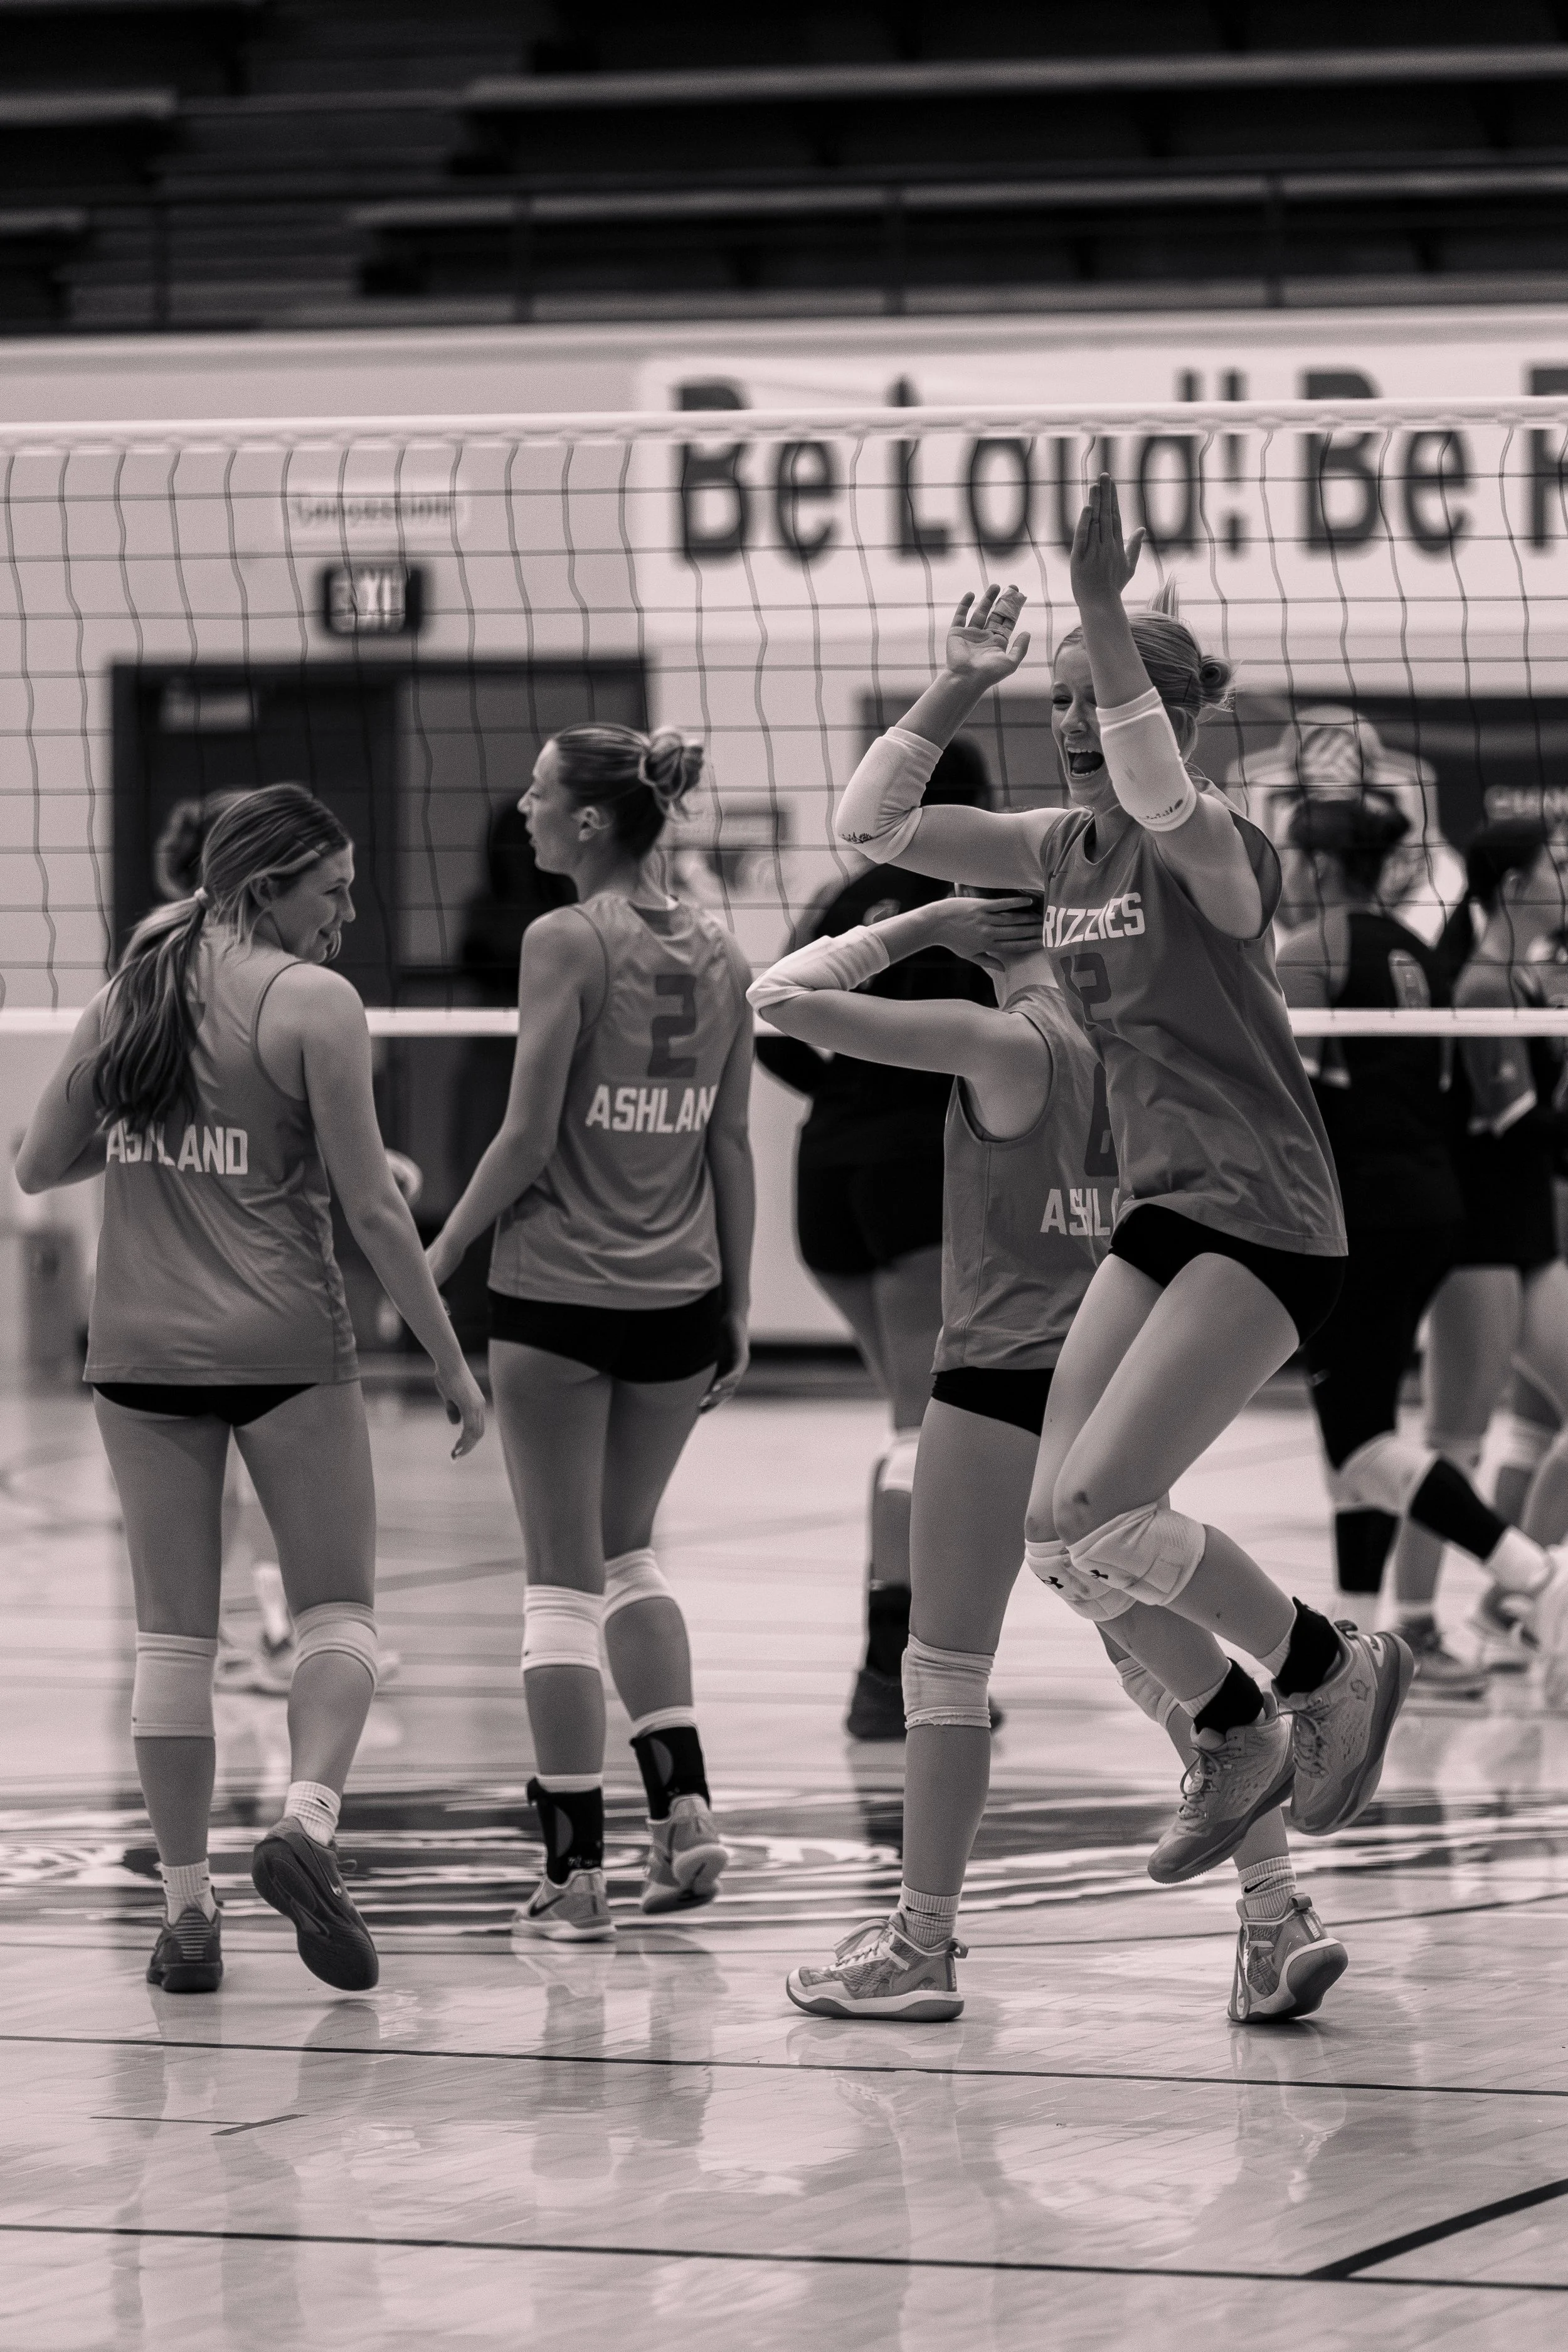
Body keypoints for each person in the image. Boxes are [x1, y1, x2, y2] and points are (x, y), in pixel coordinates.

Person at [834, 481, 1439, 1873]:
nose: (1060, 724)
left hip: (1266, 1212)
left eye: (1080, 699)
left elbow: (1159, 785)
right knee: (1060, 1543)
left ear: (1161, 709)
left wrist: (1101, 612)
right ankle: (1232, 1726)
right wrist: (954, 682)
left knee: (1102, 1501)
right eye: (1045, 704)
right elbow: (871, 830)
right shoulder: (1056, 851)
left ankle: (1326, 1666)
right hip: (1158, 1211)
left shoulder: (1220, 848)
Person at [754, 891, 1345, 2025]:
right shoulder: (1137, 1059)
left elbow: (778, 998)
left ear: (998, 931)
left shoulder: (1002, 1042)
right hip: (1113, 1381)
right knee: (1155, 1653)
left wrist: (922, 926)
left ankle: (922, 1944)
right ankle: (1277, 1917)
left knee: (944, 1675)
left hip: (996, 1379)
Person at [16, 783, 486, 1996]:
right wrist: (445, 1356)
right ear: (266, 886)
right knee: (341, 1619)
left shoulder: (136, 988)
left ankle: (184, 1913)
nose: (345, 913)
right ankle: (309, 1827)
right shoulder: (313, 1001)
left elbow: (35, 1159)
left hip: (137, 1353)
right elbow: (376, 1209)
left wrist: (144, 1121)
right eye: (328, 889)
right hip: (284, 1347)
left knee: (173, 1639)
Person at [425, 723, 755, 1941]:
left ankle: (574, 1873)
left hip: (558, 1295)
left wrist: (439, 1253)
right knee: (631, 1558)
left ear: (586, 825)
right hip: (678, 1298)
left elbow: (521, 1139)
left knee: (558, 1590)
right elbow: (725, 1144)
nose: (519, 804)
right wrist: (737, 1300)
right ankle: (687, 1812)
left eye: (537, 789)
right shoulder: (722, 949)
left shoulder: (562, 939)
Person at [755, 739, 997, 1740]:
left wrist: (845, 1095)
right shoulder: (979, 899)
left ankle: (907, 1659)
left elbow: (771, 1023)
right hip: (911, 1177)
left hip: (828, 1176)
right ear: (971, 809)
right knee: (919, 1426)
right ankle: (891, 1668)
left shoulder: (847, 892)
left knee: (919, 1419)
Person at [1276, 795, 1504, 1697]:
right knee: (1363, 1429)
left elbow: (1300, 1109)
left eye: (1293, 859)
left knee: (1360, 1437)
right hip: (1430, 1208)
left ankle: (1531, 1572)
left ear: (1322, 866)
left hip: (1357, 1218)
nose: (1286, 878)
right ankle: (1359, 1632)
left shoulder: (1310, 951)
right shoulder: (1412, 949)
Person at [1390, 820, 1568, 1693]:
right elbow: (1523, 1129)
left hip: (1528, 1238)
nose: (1561, 883)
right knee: (1452, 1445)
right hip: (1481, 1243)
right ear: (1513, 885)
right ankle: (1414, 1631)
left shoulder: (1526, 980)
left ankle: (1508, 1606)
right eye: (1552, 870)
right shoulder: (1482, 983)